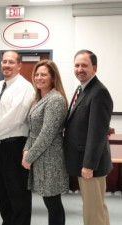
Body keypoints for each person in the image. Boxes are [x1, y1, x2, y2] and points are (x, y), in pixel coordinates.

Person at [0, 50, 34, 225]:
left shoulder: (25, 87)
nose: (6, 65)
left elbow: (16, 117)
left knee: (17, 194)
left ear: (19, 65)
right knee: (2, 193)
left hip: (14, 147)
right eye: (4, 61)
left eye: (11, 62)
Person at [64, 50, 113, 225]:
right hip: (84, 162)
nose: (79, 69)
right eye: (77, 65)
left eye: (84, 65)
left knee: (93, 211)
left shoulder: (98, 92)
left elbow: (97, 134)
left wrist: (88, 165)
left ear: (94, 68)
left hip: (91, 165)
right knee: (97, 208)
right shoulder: (82, 89)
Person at [21, 59, 69, 225]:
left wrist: (29, 156)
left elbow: (47, 133)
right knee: (50, 203)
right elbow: (33, 130)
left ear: (53, 78)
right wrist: (26, 150)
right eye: (37, 74)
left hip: (50, 159)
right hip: (40, 157)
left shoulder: (55, 99)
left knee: (53, 203)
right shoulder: (39, 98)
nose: (39, 77)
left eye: (44, 74)